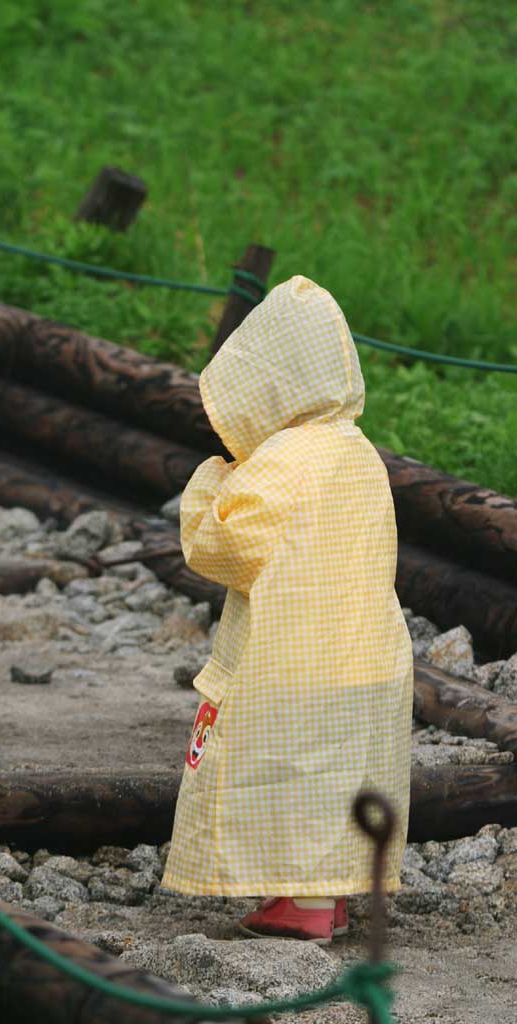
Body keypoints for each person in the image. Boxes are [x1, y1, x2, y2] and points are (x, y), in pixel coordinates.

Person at [160, 275, 413, 944]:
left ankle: (300, 904)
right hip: (370, 650)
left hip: (297, 656)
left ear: (271, 382)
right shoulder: (357, 451)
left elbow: (225, 547)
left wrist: (212, 483)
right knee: (341, 773)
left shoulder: (286, 460)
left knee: (287, 771)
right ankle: (323, 896)